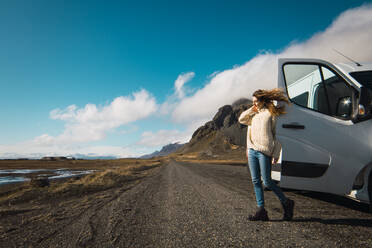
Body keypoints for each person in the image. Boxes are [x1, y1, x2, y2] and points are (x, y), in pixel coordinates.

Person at [238, 88, 294, 221]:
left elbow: (276, 135)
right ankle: (261, 210)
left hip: (264, 151)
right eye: (253, 102)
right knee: (255, 181)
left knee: (267, 182)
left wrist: (276, 153)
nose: (254, 104)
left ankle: (286, 202)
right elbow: (241, 119)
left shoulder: (271, 114)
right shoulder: (253, 114)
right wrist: (252, 109)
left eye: (256, 101)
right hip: (252, 150)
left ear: (263, 100)